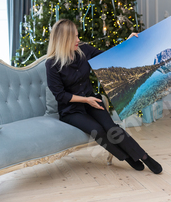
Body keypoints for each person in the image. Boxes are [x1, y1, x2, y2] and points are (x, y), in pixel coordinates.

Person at [45, 19, 162, 174]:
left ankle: (145, 157)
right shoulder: (52, 64)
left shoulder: (84, 50)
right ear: (64, 39)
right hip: (71, 110)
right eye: (74, 37)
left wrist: (127, 42)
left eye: (78, 36)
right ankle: (127, 157)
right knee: (98, 131)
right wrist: (86, 100)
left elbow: (109, 56)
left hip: (91, 100)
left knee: (111, 128)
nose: (78, 40)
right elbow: (60, 95)